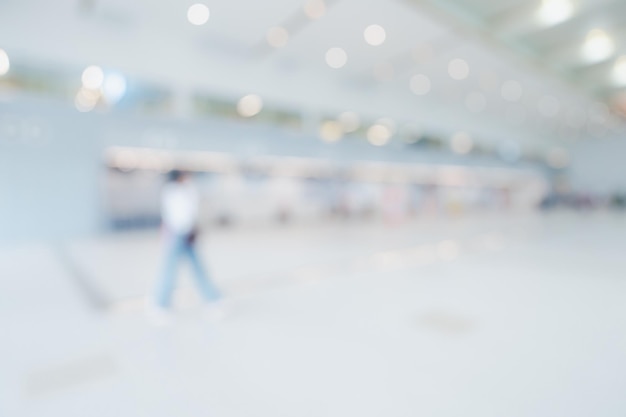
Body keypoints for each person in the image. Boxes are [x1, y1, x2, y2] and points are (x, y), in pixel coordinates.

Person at [148, 170, 222, 324]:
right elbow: (184, 214)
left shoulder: (174, 191)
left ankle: (213, 299)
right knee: (172, 269)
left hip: (182, 233)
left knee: (195, 267)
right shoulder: (176, 191)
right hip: (179, 233)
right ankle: (160, 304)